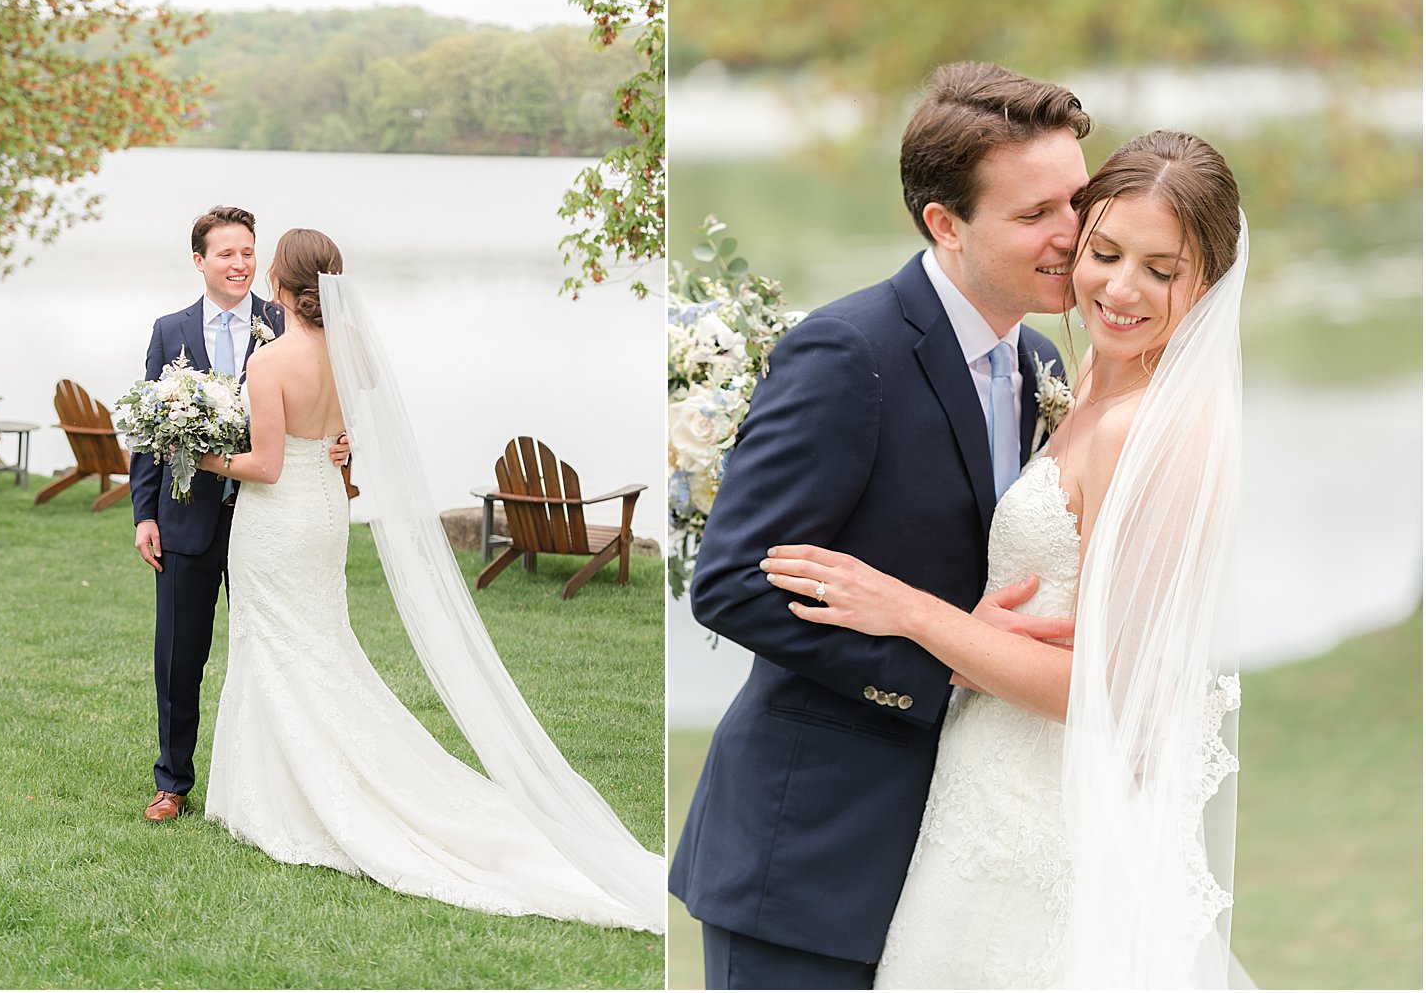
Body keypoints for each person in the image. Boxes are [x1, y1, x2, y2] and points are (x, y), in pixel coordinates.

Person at [762, 131, 1247, 988]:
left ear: (1205, 283)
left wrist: (912, 612)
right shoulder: (1086, 370)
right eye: (1103, 252)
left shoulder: (1160, 433)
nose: (1121, 288)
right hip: (980, 791)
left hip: (1050, 824)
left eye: (1161, 271)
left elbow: (1112, 697)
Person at [669, 62, 1093, 989]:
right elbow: (733, 580)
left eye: (1078, 200)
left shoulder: (1039, 359)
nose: (1074, 236)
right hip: (810, 853)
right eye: (1035, 215)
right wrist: (942, 663)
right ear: (945, 223)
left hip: (958, 857)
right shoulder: (847, 352)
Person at [195, 227, 663, 933]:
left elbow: (263, 464)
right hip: (325, 510)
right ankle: (287, 781)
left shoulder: (269, 361)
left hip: (278, 518)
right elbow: (344, 435)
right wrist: (336, 443)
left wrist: (203, 459)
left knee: (277, 641)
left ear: (284, 290)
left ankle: (284, 797)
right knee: (318, 640)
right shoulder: (353, 357)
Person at [130, 205, 348, 823]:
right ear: (199, 261)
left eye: (249, 252)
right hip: (186, 518)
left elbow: (326, 403)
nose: (240, 264)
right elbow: (149, 432)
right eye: (227, 253)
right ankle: (172, 781)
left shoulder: (291, 323)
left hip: (267, 516)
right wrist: (144, 513)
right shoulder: (169, 330)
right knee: (179, 656)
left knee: (274, 647)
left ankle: (285, 775)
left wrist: (341, 440)